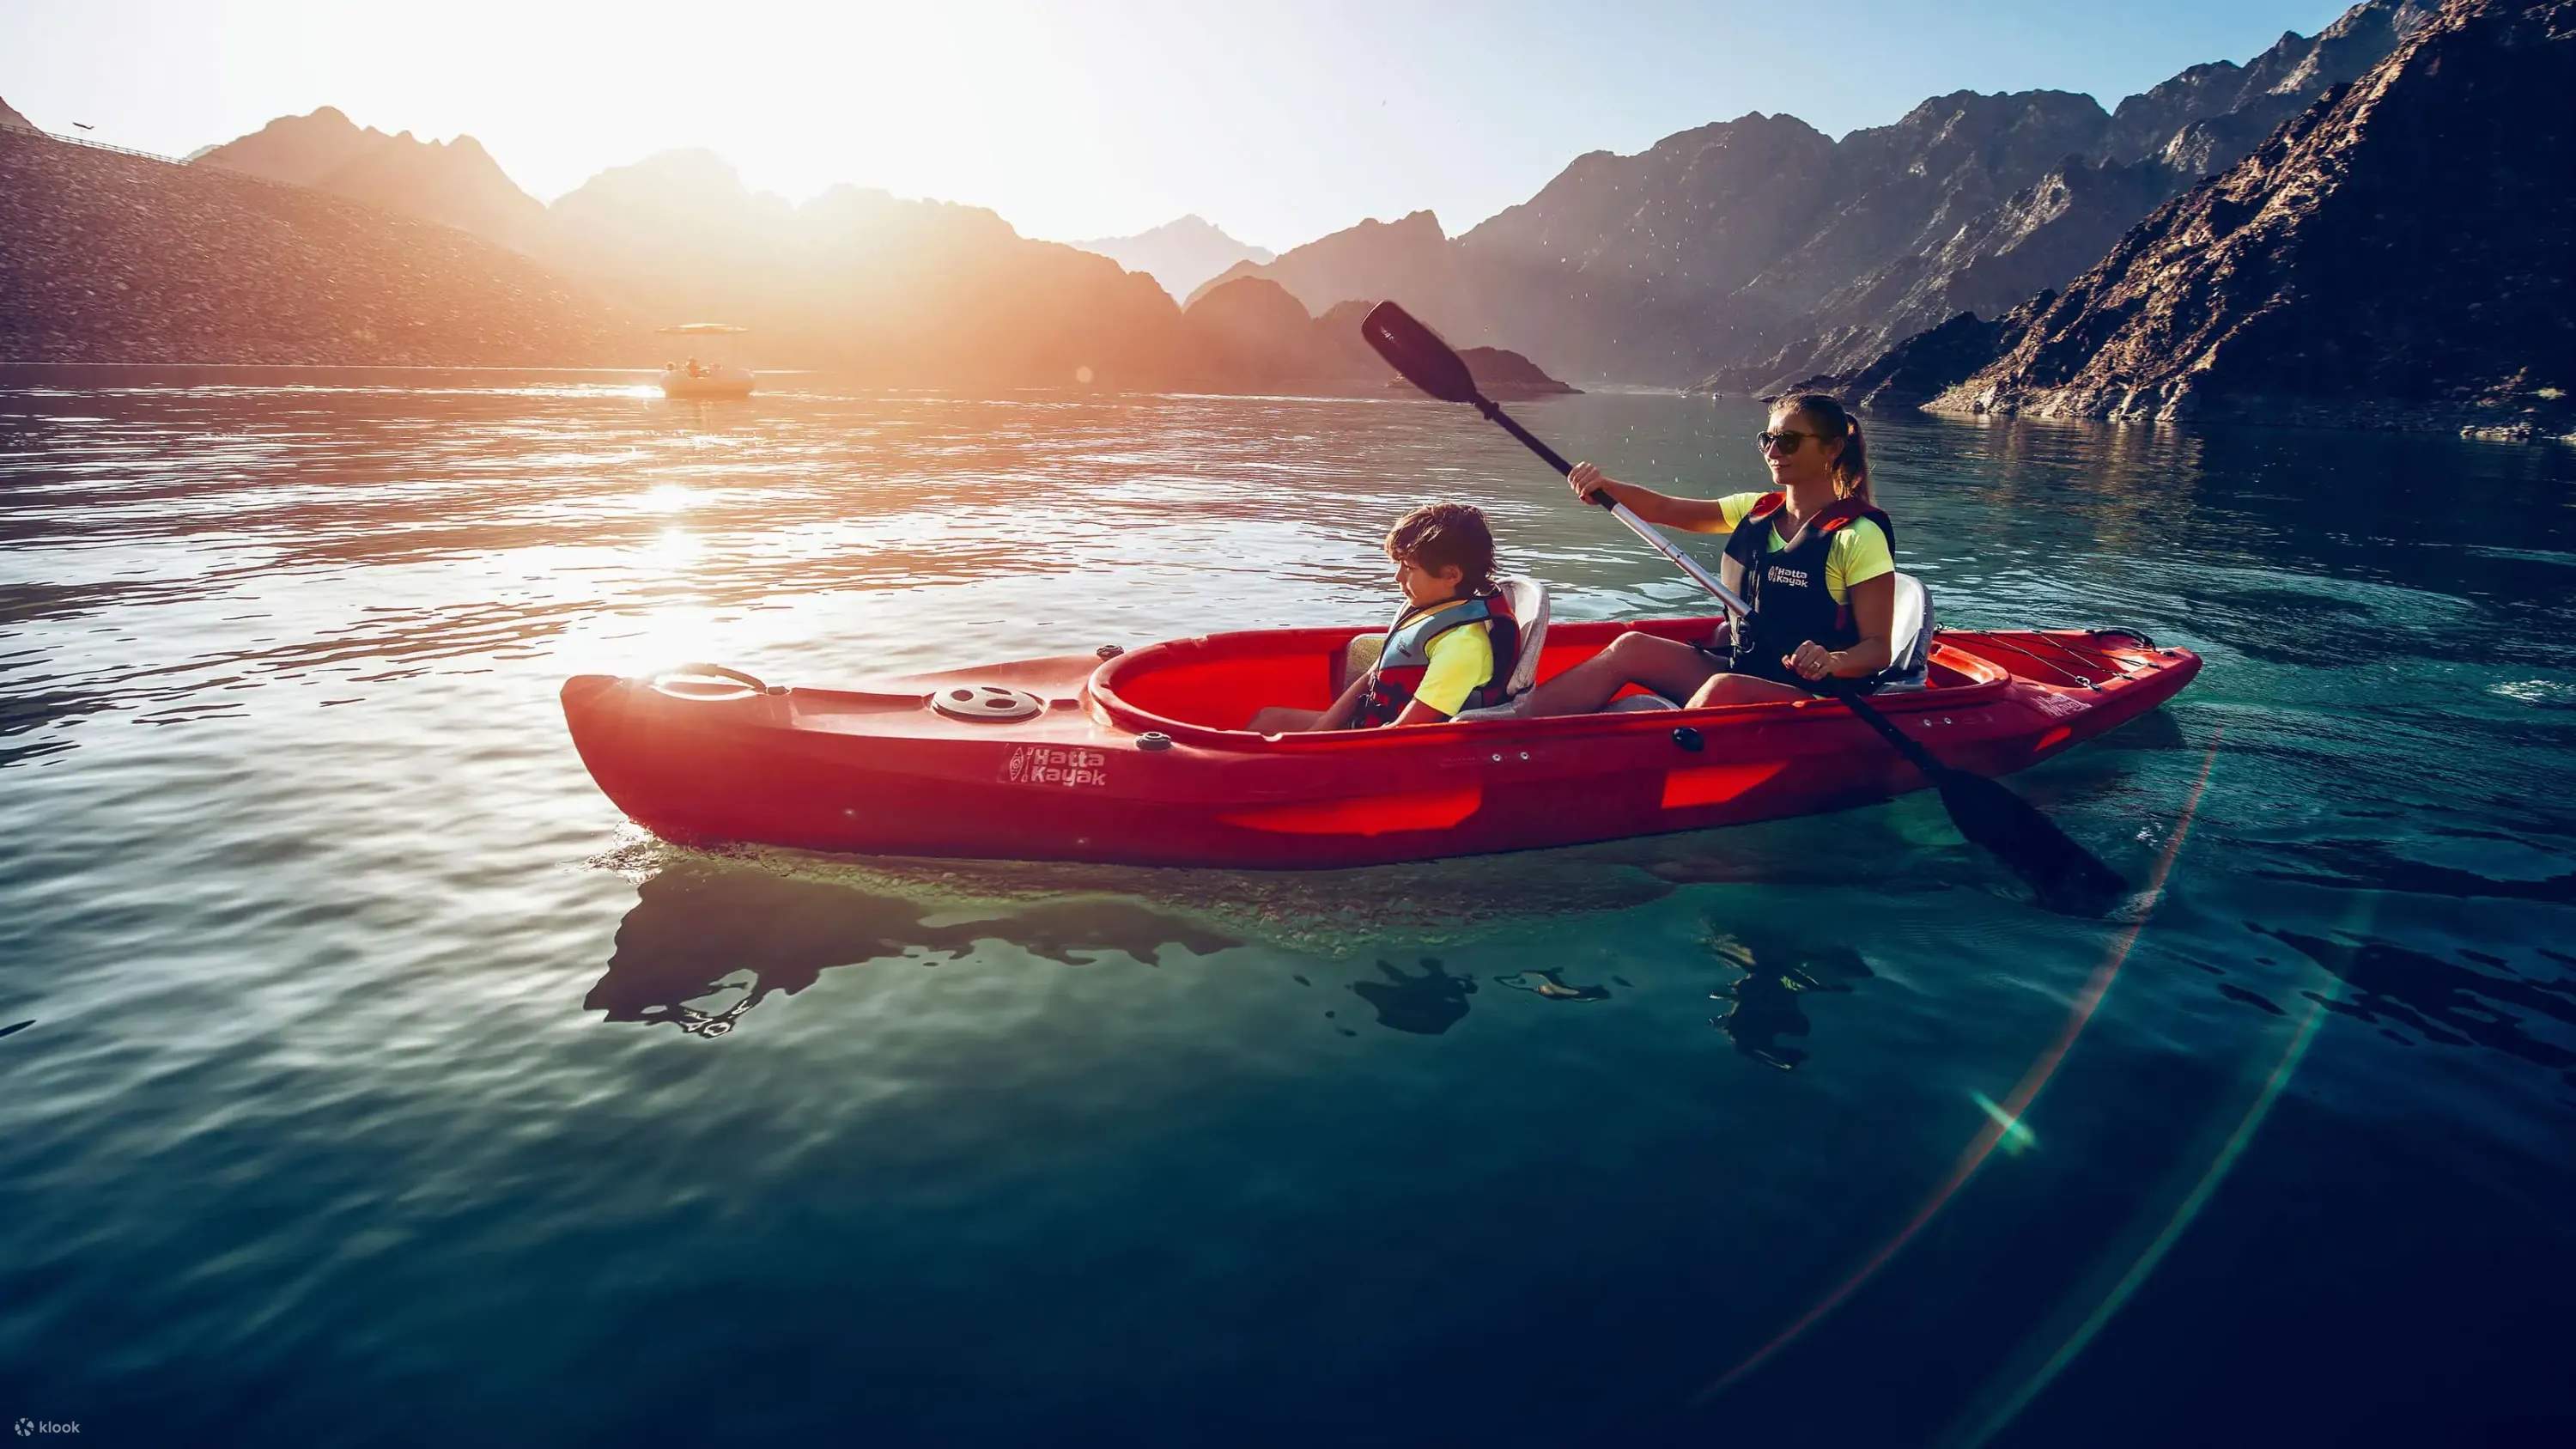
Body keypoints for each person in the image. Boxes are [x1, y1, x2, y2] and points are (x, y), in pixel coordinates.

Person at [1517, 393, 1911, 715]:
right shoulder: (1755, 509)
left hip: (1817, 695)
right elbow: (1667, 510)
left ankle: (1652, 763)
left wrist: (1832, 661)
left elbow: (1878, 650)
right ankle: (1508, 726)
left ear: (1833, 448)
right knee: (1632, 647)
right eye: (1767, 439)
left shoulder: (1858, 535)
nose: (1774, 450)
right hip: (1748, 668)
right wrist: (1604, 488)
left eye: (1788, 440)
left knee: (1723, 688)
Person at [1248, 502, 1520, 733]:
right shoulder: (1429, 610)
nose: (1398, 577)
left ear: (1451, 575)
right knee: (1268, 719)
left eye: (1409, 568)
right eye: (1398, 565)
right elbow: (1373, 674)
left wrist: (1320, 748)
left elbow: (1406, 730)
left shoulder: (1462, 645)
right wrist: (1320, 728)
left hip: (1396, 748)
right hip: (1370, 724)